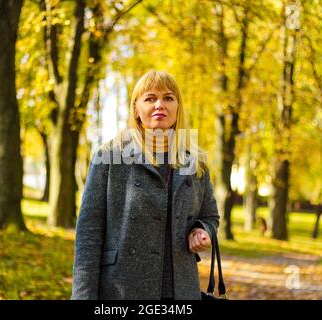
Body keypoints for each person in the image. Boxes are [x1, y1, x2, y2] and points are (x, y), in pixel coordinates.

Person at [71, 70, 220, 300]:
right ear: (136, 109)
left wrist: (202, 229)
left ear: (178, 107)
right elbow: (89, 232)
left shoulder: (194, 161)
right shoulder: (109, 157)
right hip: (121, 291)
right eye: (150, 98)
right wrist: (83, 296)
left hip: (180, 291)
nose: (159, 104)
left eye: (168, 98)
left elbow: (210, 216)